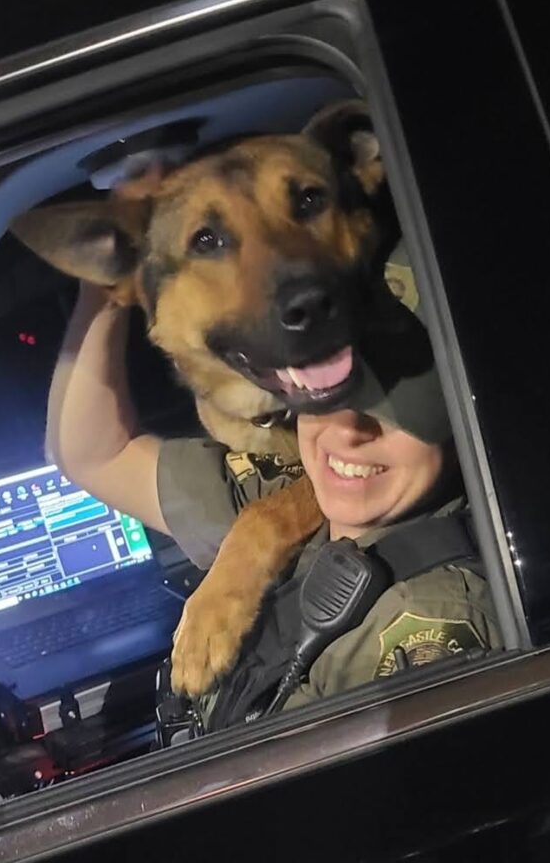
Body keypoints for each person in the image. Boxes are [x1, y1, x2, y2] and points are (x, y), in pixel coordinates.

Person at [47, 269, 502, 731]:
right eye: (324, 386)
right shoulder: (285, 514)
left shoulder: (426, 616)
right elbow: (95, 455)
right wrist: (106, 282)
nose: (348, 429)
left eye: (400, 403)